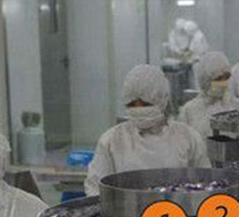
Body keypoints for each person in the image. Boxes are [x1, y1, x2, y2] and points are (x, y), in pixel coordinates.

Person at [85, 64, 210, 195]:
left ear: (162, 100)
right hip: (125, 207)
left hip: (177, 207)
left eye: (146, 103)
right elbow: (96, 188)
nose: (139, 109)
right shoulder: (112, 141)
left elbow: (204, 184)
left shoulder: (187, 138)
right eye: (132, 104)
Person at [178, 52, 239, 139]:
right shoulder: (189, 111)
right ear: (205, 81)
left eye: (227, 77)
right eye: (218, 78)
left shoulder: (237, 106)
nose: (224, 82)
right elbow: (184, 141)